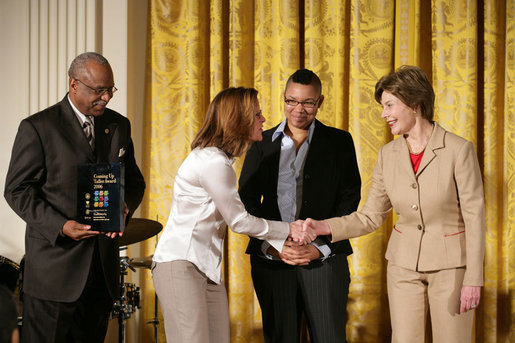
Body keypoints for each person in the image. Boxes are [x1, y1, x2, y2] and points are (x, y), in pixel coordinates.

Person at [304, 65, 485, 343]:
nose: (383, 114)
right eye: (383, 106)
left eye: (389, 105)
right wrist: (323, 226)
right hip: (402, 267)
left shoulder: (459, 150)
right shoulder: (387, 155)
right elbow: (370, 217)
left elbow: (475, 218)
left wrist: (473, 278)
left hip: (451, 268)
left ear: (415, 104)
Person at [151, 87, 315, 343]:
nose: (263, 120)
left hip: (206, 269)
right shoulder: (212, 162)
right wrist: (288, 230)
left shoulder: (220, 161)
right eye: (257, 114)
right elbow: (239, 221)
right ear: (238, 119)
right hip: (180, 265)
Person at [4, 52, 146, 342]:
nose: (106, 97)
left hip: (101, 276)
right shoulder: (38, 128)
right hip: (53, 277)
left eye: (110, 89)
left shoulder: (119, 125)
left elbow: (134, 181)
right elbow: (17, 189)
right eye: (98, 90)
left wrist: (124, 207)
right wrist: (61, 225)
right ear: (73, 85)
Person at [238, 69, 361, 343]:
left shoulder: (340, 142)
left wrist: (319, 247)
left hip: (324, 261)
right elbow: (244, 203)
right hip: (272, 261)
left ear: (320, 102)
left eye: (308, 102)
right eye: (291, 101)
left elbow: (350, 200)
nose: (298, 110)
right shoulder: (260, 142)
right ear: (283, 99)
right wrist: (272, 243)